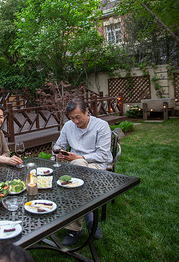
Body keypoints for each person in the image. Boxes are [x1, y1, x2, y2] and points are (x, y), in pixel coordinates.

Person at [54, 98, 112, 246]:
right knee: (78, 168)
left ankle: (73, 229)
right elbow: (58, 145)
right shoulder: (68, 126)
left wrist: (80, 157)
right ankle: (90, 216)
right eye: (72, 118)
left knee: (79, 169)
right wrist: (59, 153)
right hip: (74, 164)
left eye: (78, 117)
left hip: (96, 165)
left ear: (87, 112)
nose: (75, 121)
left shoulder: (101, 126)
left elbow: (103, 155)